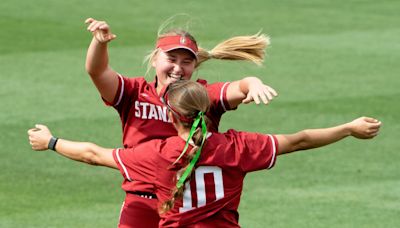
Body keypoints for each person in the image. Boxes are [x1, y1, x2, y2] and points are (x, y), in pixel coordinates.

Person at [28, 80, 381, 228]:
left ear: (170, 116)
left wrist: (51, 141)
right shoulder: (237, 146)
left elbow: (93, 154)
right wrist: (348, 128)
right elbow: (300, 139)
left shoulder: (156, 154)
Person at [84, 17, 277, 227]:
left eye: (186, 62)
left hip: (188, 207)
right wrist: (99, 43)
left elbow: (240, 87)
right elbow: (98, 71)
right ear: (154, 59)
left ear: (195, 65)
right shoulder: (135, 93)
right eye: (172, 59)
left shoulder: (200, 96)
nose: (178, 68)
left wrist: (253, 83)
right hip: (141, 202)